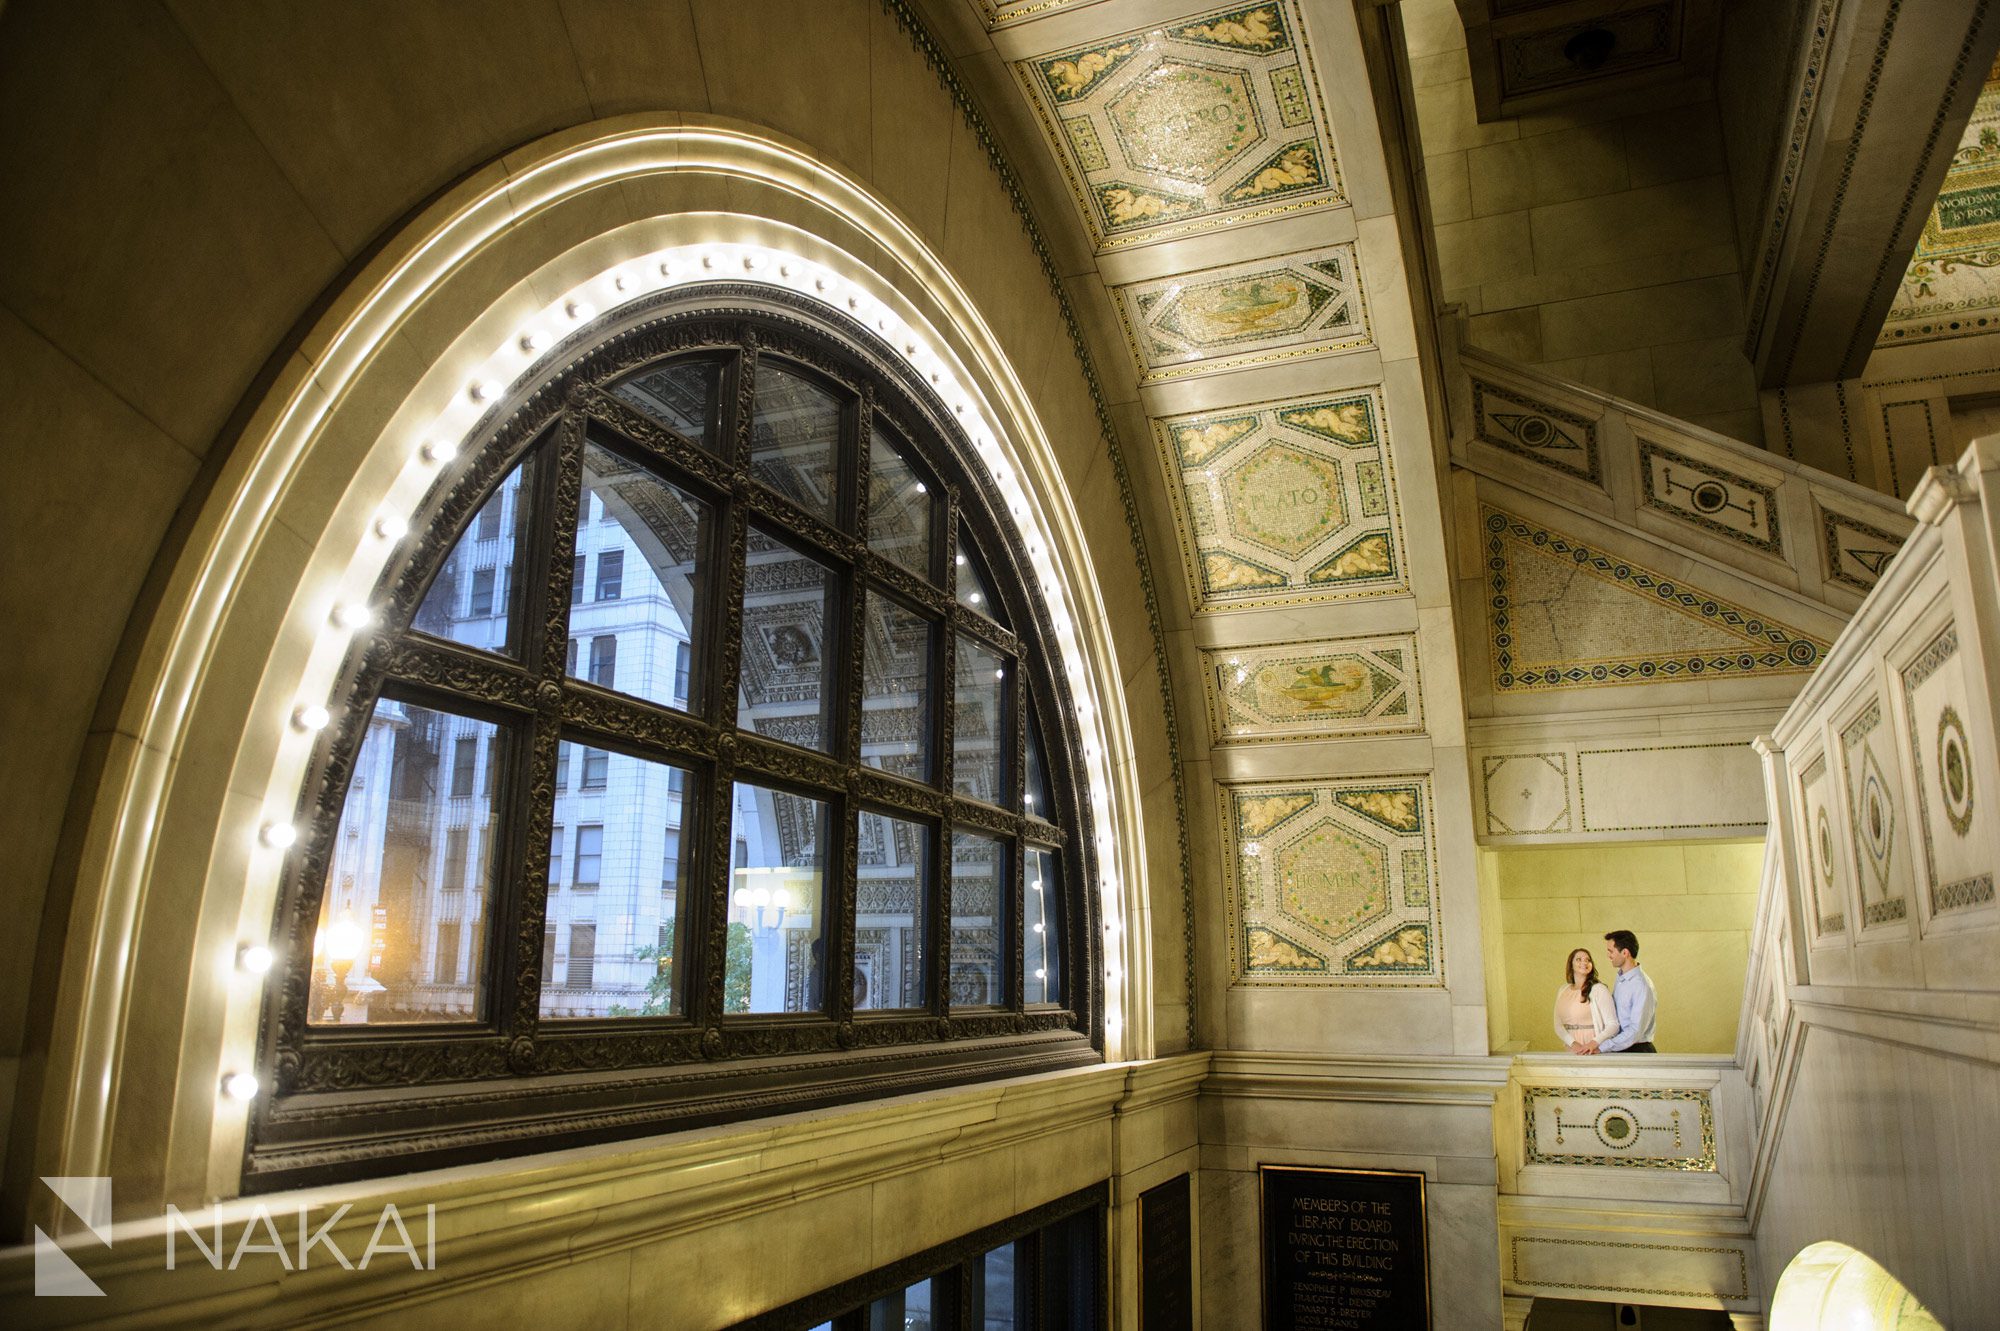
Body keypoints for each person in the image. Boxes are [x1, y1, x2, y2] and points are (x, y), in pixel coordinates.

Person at [1582, 929, 1657, 1054]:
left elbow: (1635, 1031)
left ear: (1625, 953)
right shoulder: (1621, 977)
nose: (1608, 955)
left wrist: (1601, 1046)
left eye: (1611, 951)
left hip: (1637, 1051)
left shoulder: (1642, 986)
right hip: (1621, 1048)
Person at [1552, 946, 1619, 1054]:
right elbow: (1557, 1025)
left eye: (1588, 960)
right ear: (1571, 965)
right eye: (1579, 959)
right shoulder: (1563, 990)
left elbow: (1613, 1024)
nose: (1584, 962)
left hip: (1593, 1048)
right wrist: (1573, 1043)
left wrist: (1592, 1043)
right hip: (1571, 1047)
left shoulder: (1599, 989)